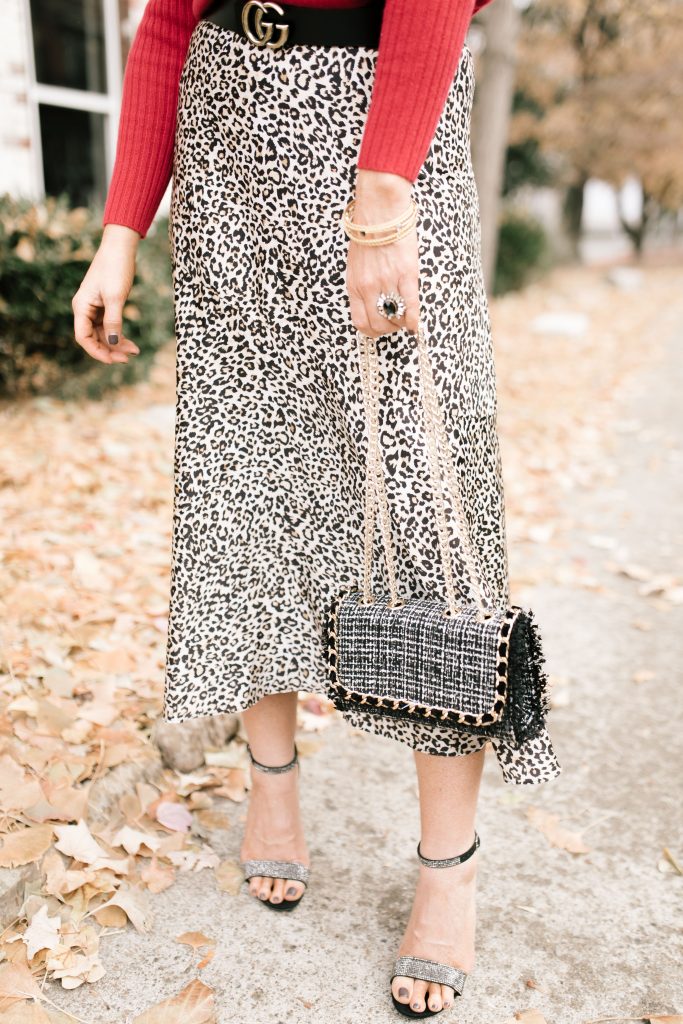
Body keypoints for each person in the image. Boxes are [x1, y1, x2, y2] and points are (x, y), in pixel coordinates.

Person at [71, 0, 561, 1016]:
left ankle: (448, 867)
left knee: (426, 500)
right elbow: (167, 21)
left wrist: (380, 198)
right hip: (228, 140)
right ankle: (272, 781)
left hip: (381, 125)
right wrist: (122, 230)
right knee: (247, 478)